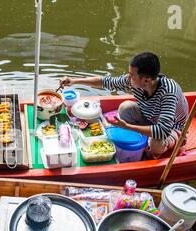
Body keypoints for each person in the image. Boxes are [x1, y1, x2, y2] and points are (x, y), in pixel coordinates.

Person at [60, 52, 188, 159]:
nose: (128, 77)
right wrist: (74, 80)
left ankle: (174, 142)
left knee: (156, 144)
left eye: (132, 75)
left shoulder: (168, 92)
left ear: (146, 80)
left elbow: (162, 130)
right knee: (125, 107)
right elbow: (106, 82)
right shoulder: (135, 81)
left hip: (171, 127)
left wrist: (127, 126)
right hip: (150, 117)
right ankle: (139, 140)